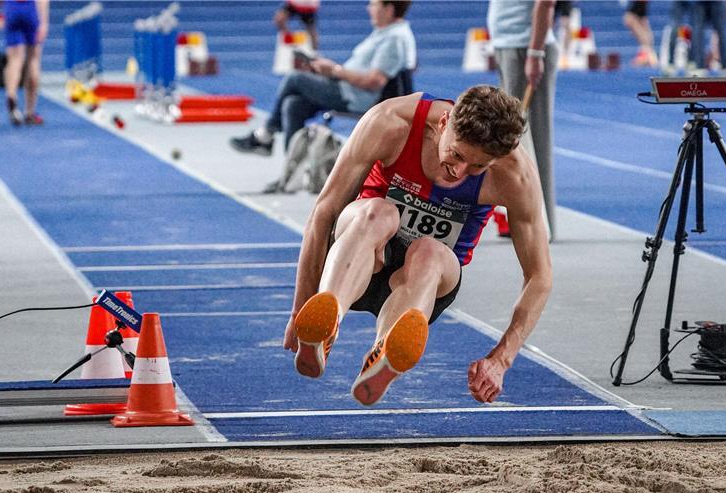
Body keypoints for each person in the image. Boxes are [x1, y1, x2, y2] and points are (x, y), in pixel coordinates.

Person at [281, 85, 553, 406]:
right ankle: (326, 319)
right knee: (377, 212)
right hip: (361, 257)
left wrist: (501, 359)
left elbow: (539, 276)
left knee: (430, 251)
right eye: (457, 155)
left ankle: (386, 352)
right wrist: (301, 306)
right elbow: (324, 212)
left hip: (424, 285)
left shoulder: (515, 175)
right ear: (443, 123)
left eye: (478, 167)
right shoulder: (390, 122)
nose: (459, 172)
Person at [230, 0, 415, 157]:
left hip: (357, 97)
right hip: (346, 87)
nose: (368, 8)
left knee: (295, 78)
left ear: (389, 9)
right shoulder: (384, 33)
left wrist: (334, 70)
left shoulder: (394, 38)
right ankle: (293, 173)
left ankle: (265, 135)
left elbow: (374, 82)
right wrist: (327, 69)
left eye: (373, 4)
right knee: (293, 105)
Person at [487, 0, 557, 240]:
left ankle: (539, 223)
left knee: (531, 138)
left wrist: (535, 53)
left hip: (525, 47)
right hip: (509, 44)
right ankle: (516, 213)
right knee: (513, 137)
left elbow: (546, 3)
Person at [3, 0, 48, 126]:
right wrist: (44, 22)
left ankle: (11, 95)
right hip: (30, 8)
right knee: (33, 59)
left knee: (14, 59)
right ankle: (30, 111)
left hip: (12, 7)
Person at [691, 0, 726, 75]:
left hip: (715, 2)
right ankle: (699, 66)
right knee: (698, 34)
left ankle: (725, 66)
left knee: (721, 32)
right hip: (700, 3)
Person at [623, 0, 658, 67]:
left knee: (649, 38)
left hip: (639, 14)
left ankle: (645, 58)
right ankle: (648, 59)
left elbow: (643, 10)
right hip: (632, 16)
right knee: (645, 39)